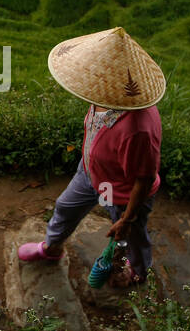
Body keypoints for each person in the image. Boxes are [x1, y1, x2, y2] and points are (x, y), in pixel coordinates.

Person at [18, 27, 165, 288]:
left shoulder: (138, 130)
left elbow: (143, 179)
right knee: (65, 207)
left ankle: (138, 272)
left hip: (123, 193)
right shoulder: (103, 95)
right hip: (90, 172)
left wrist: (127, 218)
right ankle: (52, 248)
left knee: (131, 236)